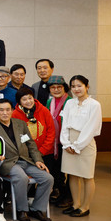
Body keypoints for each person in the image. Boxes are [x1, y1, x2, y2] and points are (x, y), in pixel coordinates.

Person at [0, 99, 53, 221]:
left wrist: (38, 160)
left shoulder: (20, 124)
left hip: (26, 160)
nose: (5, 113)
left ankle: (37, 209)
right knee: (22, 178)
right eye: (1, 110)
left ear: (12, 110)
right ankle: (22, 210)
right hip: (7, 163)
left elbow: (31, 144)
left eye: (8, 110)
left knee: (48, 178)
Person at [60, 75, 101, 218]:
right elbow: (64, 124)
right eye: (73, 86)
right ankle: (75, 204)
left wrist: (77, 146)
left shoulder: (94, 105)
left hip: (85, 143)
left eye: (79, 86)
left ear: (87, 86)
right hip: (69, 142)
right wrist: (66, 143)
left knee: (87, 176)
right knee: (72, 174)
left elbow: (91, 128)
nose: (76, 89)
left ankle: (85, 207)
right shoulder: (69, 103)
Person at [45, 75, 73, 207]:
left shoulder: (70, 102)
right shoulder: (49, 102)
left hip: (66, 142)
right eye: (53, 87)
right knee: (56, 171)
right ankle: (61, 194)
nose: (56, 90)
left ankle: (69, 196)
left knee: (68, 171)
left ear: (64, 88)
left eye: (59, 87)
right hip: (53, 142)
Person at [12, 86, 56, 166]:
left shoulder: (43, 110)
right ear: (19, 102)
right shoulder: (15, 114)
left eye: (30, 98)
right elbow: (17, 136)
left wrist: (42, 151)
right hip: (27, 155)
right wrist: (31, 153)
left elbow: (51, 131)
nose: (28, 101)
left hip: (46, 152)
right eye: (24, 99)